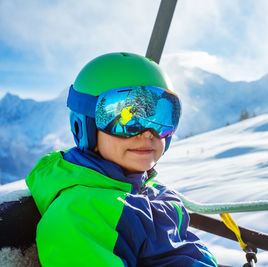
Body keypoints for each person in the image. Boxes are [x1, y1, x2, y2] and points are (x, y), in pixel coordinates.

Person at [26, 52, 218, 266]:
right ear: (85, 127)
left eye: (160, 119)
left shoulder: (152, 191)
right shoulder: (79, 214)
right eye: (125, 119)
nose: (147, 133)